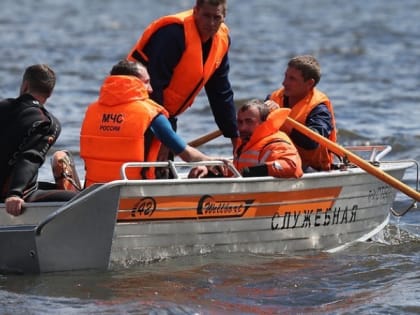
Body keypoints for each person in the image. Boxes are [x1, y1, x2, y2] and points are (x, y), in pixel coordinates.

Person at [127, 0, 238, 165]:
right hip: (138, 112)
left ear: (224, 17)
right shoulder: (173, 34)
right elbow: (153, 88)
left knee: (162, 171)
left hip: (164, 116)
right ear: (195, 11)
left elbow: (220, 93)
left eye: (217, 17)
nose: (211, 23)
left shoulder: (221, 40)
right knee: (146, 169)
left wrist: (235, 138)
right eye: (206, 16)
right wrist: (164, 136)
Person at [80, 59, 220, 187]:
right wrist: (212, 161)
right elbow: (187, 155)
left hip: (93, 191)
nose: (151, 89)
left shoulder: (92, 111)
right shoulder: (150, 114)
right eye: (146, 82)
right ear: (133, 82)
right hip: (134, 196)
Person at [0, 64, 77, 216]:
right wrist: (15, 193)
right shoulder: (47, 122)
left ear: (25, 86)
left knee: (48, 187)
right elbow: (30, 156)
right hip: (11, 198)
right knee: (83, 198)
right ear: (50, 93)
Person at [189, 99, 303, 178]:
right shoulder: (245, 142)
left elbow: (293, 167)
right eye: (239, 122)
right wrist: (208, 169)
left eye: (249, 121)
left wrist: (251, 172)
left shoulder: (276, 143)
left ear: (263, 122)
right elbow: (237, 170)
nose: (242, 127)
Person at [266, 55, 337, 171]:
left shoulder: (319, 109)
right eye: (286, 76)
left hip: (310, 168)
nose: (284, 83)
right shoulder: (273, 98)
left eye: (292, 79)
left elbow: (312, 142)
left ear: (309, 83)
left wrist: (281, 118)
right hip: (276, 159)